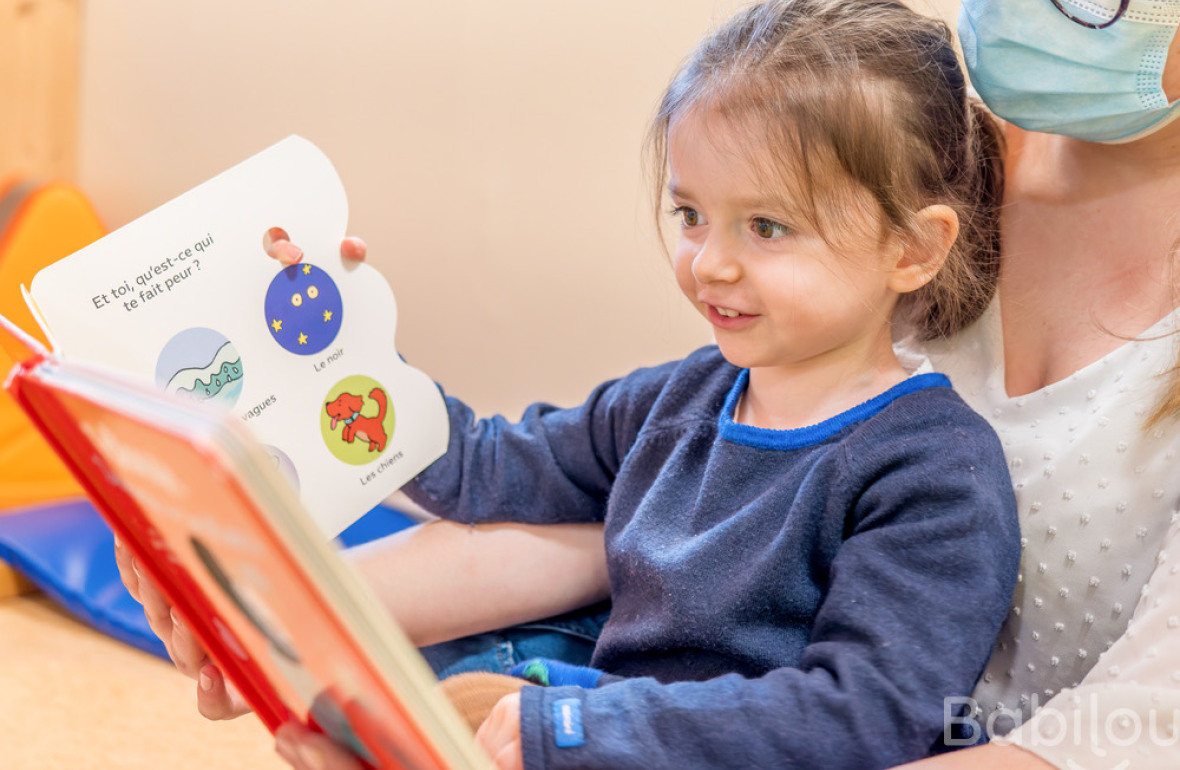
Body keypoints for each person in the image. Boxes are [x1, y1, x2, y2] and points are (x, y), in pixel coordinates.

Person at [265, 0, 1180, 766]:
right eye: (692, 215)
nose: (709, 265)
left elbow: (866, 715)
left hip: (697, 740)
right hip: (613, 709)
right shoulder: (687, 394)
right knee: (358, 698)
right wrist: (330, 351)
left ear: (915, 248)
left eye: (767, 228)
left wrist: (574, 727)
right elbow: (489, 468)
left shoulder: (939, 473)